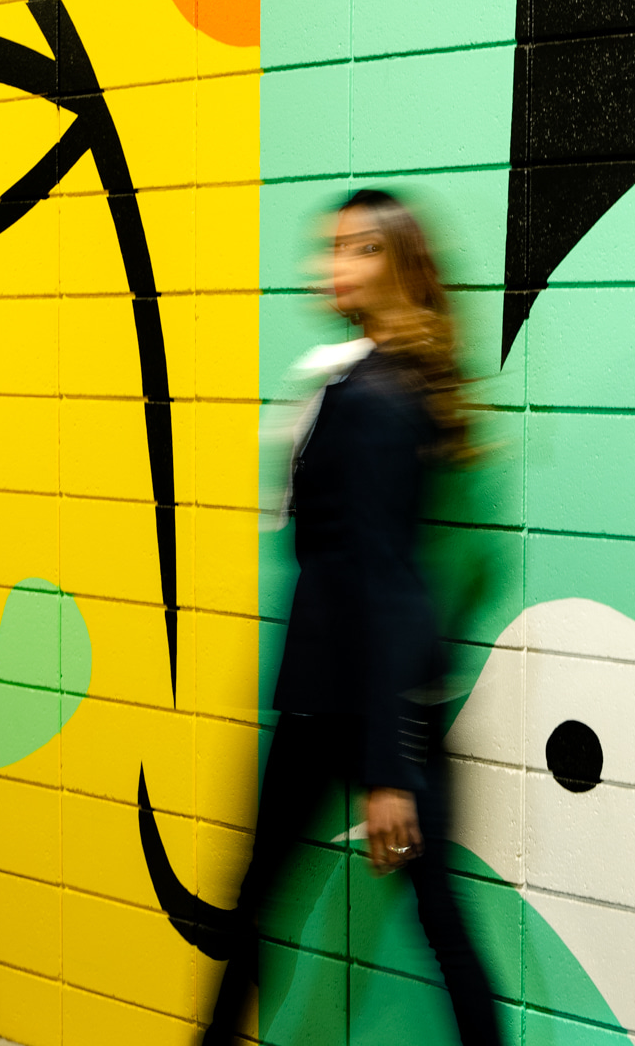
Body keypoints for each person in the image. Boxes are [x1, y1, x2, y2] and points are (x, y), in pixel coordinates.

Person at [200, 190, 500, 1046]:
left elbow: (386, 578)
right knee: (269, 899)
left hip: (355, 708)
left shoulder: (376, 395)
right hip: (337, 697)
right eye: (330, 247)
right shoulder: (364, 375)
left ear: (398, 265)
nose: (329, 264)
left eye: (356, 249)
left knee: (423, 918)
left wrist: (389, 767)